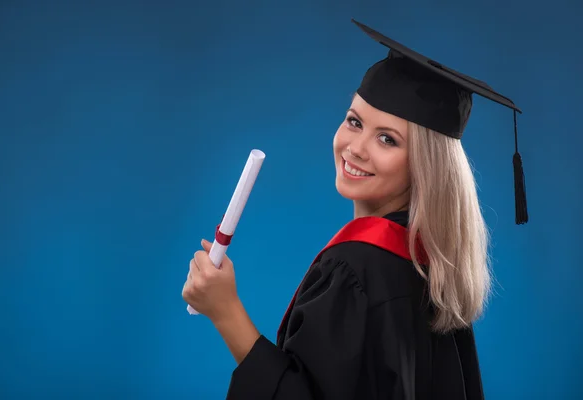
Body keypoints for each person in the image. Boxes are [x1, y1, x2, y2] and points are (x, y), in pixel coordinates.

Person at [182, 19, 528, 399]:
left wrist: (224, 309)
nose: (356, 148)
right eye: (354, 121)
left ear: (424, 166)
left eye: (387, 139)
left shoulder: (353, 269)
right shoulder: (430, 267)